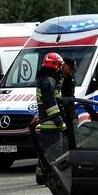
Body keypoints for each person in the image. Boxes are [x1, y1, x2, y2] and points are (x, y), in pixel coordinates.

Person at [35, 52, 65, 185]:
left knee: (46, 151)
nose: (59, 69)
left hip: (46, 123)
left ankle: (41, 176)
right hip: (51, 124)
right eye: (58, 66)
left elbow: (56, 97)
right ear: (53, 66)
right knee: (53, 152)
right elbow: (51, 104)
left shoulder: (45, 80)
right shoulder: (48, 81)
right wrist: (58, 120)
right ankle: (48, 177)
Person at [61, 57, 78, 122]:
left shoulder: (71, 76)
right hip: (61, 107)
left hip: (70, 105)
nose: (71, 70)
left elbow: (71, 92)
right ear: (64, 65)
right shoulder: (57, 76)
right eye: (70, 68)